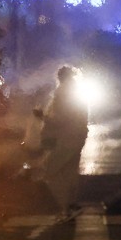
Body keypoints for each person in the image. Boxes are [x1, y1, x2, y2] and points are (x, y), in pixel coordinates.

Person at [36, 65, 89, 223]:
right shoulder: (77, 92)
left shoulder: (62, 93)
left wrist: (42, 116)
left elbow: (61, 119)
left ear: (60, 77)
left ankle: (64, 208)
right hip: (78, 136)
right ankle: (72, 206)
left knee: (50, 172)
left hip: (67, 138)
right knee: (70, 172)